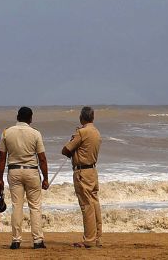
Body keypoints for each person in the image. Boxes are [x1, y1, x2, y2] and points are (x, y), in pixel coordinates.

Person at [0, 106, 49, 249]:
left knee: (17, 206)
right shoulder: (36, 133)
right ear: (30, 119)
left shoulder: (7, 132)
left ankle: (16, 240)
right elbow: (42, 159)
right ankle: (37, 240)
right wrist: (45, 178)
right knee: (35, 207)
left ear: (17, 117)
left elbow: (2, 158)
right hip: (31, 171)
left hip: (14, 172)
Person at [62, 106, 102, 248]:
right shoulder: (96, 132)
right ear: (92, 117)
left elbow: (66, 150)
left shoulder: (82, 132)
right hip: (92, 171)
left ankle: (89, 240)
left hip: (82, 172)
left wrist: (74, 138)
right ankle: (97, 238)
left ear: (82, 118)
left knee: (86, 205)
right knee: (94, 203)